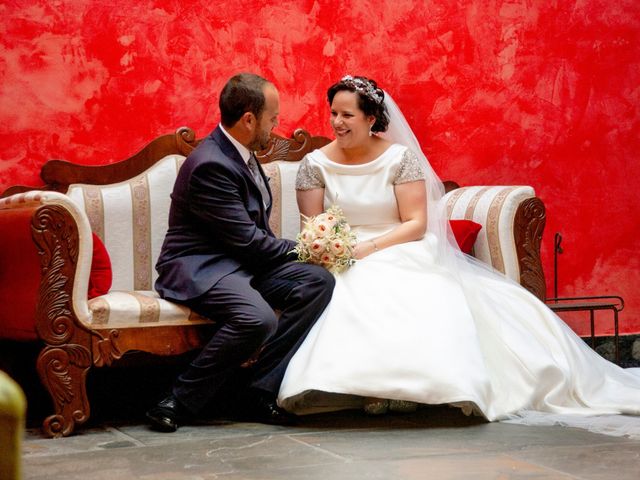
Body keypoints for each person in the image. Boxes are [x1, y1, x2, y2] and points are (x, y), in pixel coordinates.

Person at [277, 75, 640, 437]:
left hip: (398, 243)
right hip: (345, 250)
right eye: (333, 114)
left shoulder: (399, 159)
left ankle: (413, 386)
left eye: (347, 115)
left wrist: (369, 248)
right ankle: (370, 388)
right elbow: (315, 226)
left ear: (371, 118)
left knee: (396, 278)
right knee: (350, 282)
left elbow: (416, 223)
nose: (337, 123)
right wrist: (333, 247)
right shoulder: (315, 164)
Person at [146, 73, 335, 432]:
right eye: (273, 118)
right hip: (202, 266)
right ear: (249, 118)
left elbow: (251, 241)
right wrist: (308, 248)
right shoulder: (211, 164)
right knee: (256, 318)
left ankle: (258, 390)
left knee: (317, 282)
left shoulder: (239, 153)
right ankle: (177, 399)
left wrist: (312, 258)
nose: (277, 126)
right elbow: (249, 241)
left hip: (239, 263)